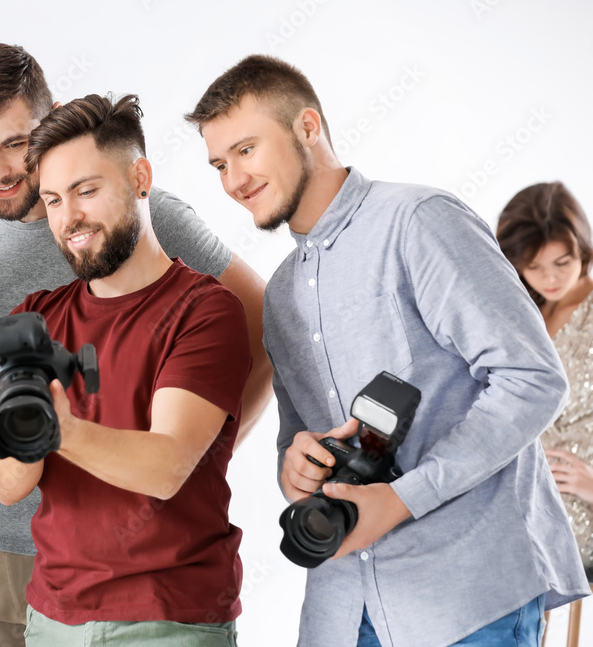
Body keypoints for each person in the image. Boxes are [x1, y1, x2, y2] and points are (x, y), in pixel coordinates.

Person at [187, 54, 589, 647]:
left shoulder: (419, 222)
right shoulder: (282, 294)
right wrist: (294, 469)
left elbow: (532, 378)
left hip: (468, 606)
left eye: (246, 150)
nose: (233, 181)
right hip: (340, 616)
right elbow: (294, 437)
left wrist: (401, 499)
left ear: (307, 127)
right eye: (220, 164)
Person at [0, 43, 273, 646]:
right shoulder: (28, 311)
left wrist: (208, 447)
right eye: (55, 199)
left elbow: (171, 459)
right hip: (21, 572)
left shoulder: (193, 291)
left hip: (163, 603)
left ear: (138, 180)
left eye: (14, 144)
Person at [497, 182, 593, 576]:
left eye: (562, 263)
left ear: (583, 250)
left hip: (577, 509)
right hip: (521, 491)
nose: (549, 278)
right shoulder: (524, 312)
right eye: (534, 267)